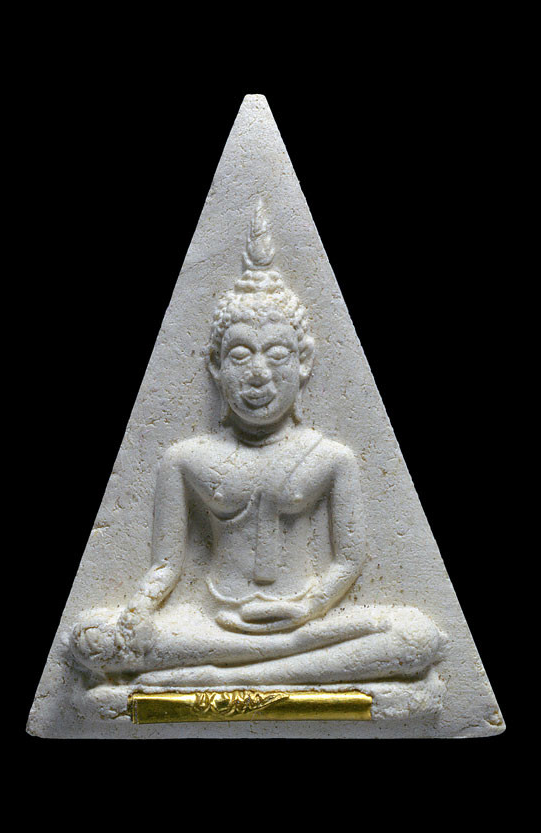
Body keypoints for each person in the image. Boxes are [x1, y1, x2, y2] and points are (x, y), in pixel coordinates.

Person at [70, 203, 444, 688]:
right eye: (241, 354)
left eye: (278, 354)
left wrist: (307, 609)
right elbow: (165, 565)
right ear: (216, 366)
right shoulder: (185, 459)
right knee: (91, 639)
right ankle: (268, 667)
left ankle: (211, 676)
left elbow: (349, 561)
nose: (259, 374)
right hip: (210, 620)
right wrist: (138, 611)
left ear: (304, 362)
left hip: (305, 618)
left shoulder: (331, 457)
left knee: (413, 636)